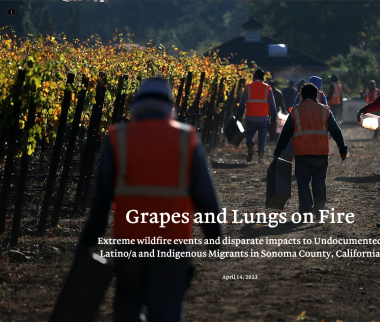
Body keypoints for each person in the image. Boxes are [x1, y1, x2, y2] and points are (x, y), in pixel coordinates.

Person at [77, 78, 222, 322]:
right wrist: (214, 235)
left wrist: (89, 239)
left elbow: (101, 198)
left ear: (136, 105)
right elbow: (204, 194)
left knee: (128, 305)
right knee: (166, 310)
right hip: (171, 242)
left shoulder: (118, 138)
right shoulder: (186, 138)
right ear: (170, 105)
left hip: (129, 243)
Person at [273, 83, 347, 214]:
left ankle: (305, 210)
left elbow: (285, 134)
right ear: (316, 95)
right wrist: (342, 148)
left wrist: (278, 151)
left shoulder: (295, 111)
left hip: (302, 154)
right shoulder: (325, 110)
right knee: (319, 181)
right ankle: (319, 208)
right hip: (320, 153)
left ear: (301, 94)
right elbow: (336, 131)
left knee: (303, 183)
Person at [236, 68, 277, 162]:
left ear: (254, 76)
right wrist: (273, 117)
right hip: (263, 117)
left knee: (249, 133)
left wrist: (239, 115)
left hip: (250, 116)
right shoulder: (267, 88)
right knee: (262, 137)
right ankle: (260, 157)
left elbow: (242, 103)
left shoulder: (248, 87)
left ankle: (250, 146)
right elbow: (272, 104)